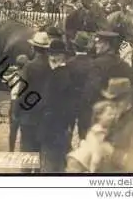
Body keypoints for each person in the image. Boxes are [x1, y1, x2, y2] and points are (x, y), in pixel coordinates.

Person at [80, 31, 131, 139]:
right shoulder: (124, 65)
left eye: (99, 43)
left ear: (107, 45)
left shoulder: (97, 64)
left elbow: (90, 91)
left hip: (98, 113)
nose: (96, 45)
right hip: (118, 112)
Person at [39, 40, 76, 173]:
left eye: (53, 55)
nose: (51, 58)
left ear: (60, 57)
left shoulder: (56, 75)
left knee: (50, 163)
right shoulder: (69, 73)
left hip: (51, 127)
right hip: (63, 126)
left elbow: (48, 102)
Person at [102, 78, 133, 172]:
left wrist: (112, 152)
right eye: (110, 101)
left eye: (117, 100)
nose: (113, 105)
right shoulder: (115, 118)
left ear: (128, 99)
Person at [18, 32, 51, 171]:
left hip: (28, 115)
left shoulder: (29, 67)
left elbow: (22, 92)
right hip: (44, 116)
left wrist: (16, 112)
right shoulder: (51, 67)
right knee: (39, 152)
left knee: (27, 151)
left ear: (33, 48)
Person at [66, 101, 116, 173]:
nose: (112, 117)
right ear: (99, 116)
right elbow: (96, 155)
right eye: (109, 114)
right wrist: (92, 171)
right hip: (80, 162)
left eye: (113, 115)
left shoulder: (94, 129)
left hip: (76, 159)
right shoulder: (99, 132)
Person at [67, 31, 95, 140]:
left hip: (71, 100)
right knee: (84, 131)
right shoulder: (93, 63)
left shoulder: (69, 63)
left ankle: (67, 151)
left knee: (69, 128)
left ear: (74, 47)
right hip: (86, 101)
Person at [1, 54, 29, 152]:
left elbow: (4, 80)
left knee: (13, 128)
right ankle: (22, 150)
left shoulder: (14, 73)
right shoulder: (28, 74)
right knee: (24, 129)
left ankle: (11, 150)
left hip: (14, 101)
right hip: (25, 102)